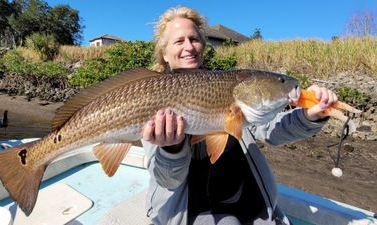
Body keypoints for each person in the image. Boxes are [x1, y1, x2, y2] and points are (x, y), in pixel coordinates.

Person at [141, 6, 338, 225]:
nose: (189, 47)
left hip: (253, 209)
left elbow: (272, 129)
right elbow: (167, 180)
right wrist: (171, 150)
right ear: (164, 53)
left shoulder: (230, 87)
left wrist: (309, 116)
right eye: (179, 41)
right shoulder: (151, 96)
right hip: (190, 215)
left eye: (194, 39)